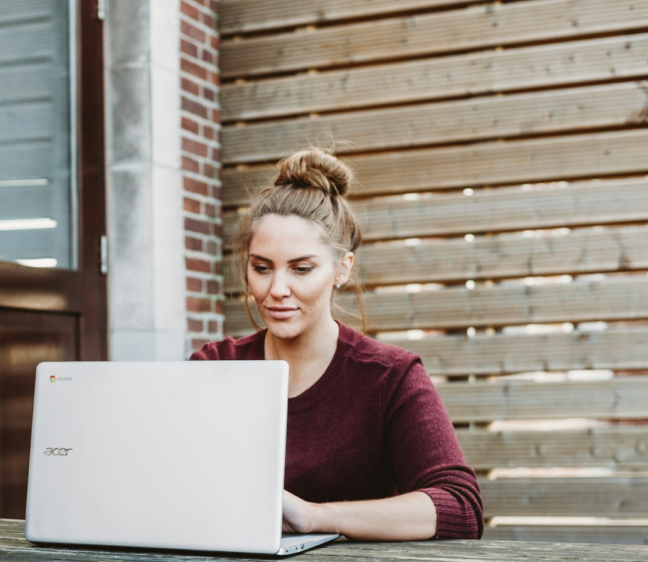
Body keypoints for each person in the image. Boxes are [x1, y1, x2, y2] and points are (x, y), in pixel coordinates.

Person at [190, 148, 483, 540]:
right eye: (261, 268)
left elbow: (460, 507)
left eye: (302, 268)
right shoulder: (214, 365)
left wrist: (315, 517)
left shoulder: (390, 376)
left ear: (342, 269)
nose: (277, 289)